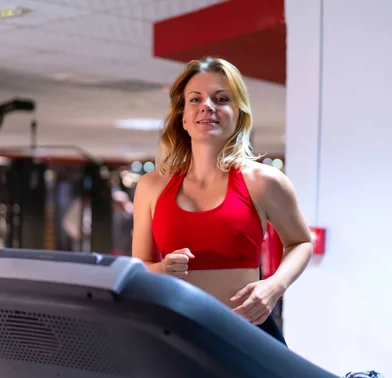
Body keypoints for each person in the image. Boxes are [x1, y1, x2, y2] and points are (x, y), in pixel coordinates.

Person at [131, 56, 313, 346]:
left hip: (247, 334)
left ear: (238, 114)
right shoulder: (151, 186)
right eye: (195, 99)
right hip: (175, 333)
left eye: (221, 98)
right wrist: (163, 269)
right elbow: (139, 266)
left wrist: (274, 287)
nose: (208, 106)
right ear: (183, 117)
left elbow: (301, 242)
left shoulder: (264, 181)